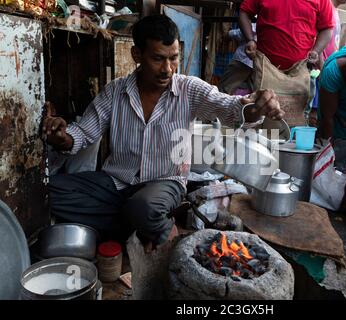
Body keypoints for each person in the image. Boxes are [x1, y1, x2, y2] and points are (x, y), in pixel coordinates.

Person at [44, 14, 284, 252]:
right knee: (49, 191)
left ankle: (152, 225)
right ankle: (136, 226)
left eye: (174, 58)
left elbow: (230, 108)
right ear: (137, 55)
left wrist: (254, 108)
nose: (167, 69)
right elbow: (83, 134)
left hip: (165, 182)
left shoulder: (189, 89)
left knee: (145, 206)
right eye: (158, 59)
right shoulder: (114, 92)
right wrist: (61, 137)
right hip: (116, 182)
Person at [238, 0, 335, 70]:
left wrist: (316, 51)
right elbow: (244, 12)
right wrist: (250, 39)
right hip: (264, 67)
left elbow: (327, 28)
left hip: (301, 71)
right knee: (264, 98)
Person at [218, 23, 256, 95]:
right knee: (254, 92)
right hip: (258, 64)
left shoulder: (258, 21)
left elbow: (244, 32)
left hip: (244, 60)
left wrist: (229, 34)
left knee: (223, 89)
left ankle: (216, 105)